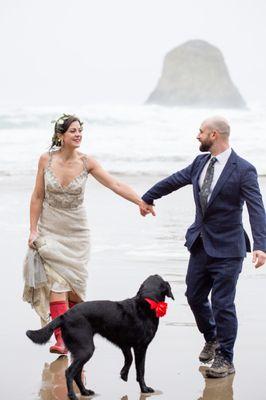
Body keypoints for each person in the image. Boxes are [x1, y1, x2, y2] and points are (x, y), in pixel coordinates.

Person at [139, 116, 266, 378]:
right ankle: (212, 336)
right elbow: (175, 180)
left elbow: (256, 209)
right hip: (200, 244)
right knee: (194, 297)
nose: (197, 136)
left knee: (222, 304)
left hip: (229, 249)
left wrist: (261, 245)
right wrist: (147, 197)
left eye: (201, 131)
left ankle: (225, 359)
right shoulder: (200, 162)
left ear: (215, 135)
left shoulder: (243, 169)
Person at [23, 114, 142, 354]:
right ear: (60, 136)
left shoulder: (87, 162)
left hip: (77, 231)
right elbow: (37, 196)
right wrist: (33, 229)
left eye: (80, 131)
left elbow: (115, 185)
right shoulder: (45, 160)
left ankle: (75, 335)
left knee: (75, 287)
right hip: (50, 228)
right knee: (57, 284)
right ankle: (60, 340)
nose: (78, 135)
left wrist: (140, 201)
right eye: (72, 131)